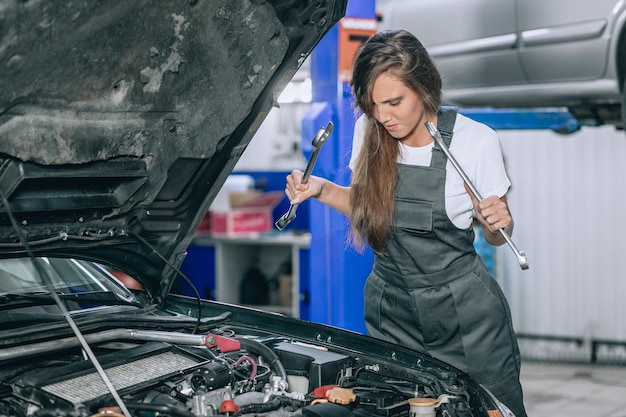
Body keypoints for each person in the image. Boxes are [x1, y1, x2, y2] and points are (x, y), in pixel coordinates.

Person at [284, 29, 528, 416]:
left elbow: (498, 236)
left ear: (424, 86)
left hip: (465, 320)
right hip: (391, 310)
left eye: (394, 102)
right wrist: (321, 188)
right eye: (372, 104)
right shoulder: (373, 129)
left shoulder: (474, 141)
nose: (383, 115)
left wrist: (499, 223)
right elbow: (370, 209)